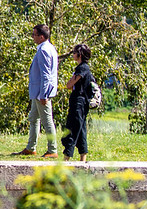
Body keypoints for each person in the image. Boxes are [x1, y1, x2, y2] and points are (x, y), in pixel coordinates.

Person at [13, 24, 59, 158]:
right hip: (38, 91)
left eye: (34, 35)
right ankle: (31, 147)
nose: (33, 37)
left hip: (41, 92)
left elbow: (46, 75)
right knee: (33, 118)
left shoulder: (44, 50)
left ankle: (52, 150)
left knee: (47, 120)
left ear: (42, 36)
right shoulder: (48, 48)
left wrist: (43, 94)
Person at [62, 43, 93, 162]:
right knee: (81, 130)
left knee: (72, 128)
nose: (73, 54)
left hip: (79, 102)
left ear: (79, 54)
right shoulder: (82, 68)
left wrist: (71, 82)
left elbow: (69, 85)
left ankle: (66, 158)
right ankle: (83, 158)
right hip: (80, 101)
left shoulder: (82, 68)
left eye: (74, 52)